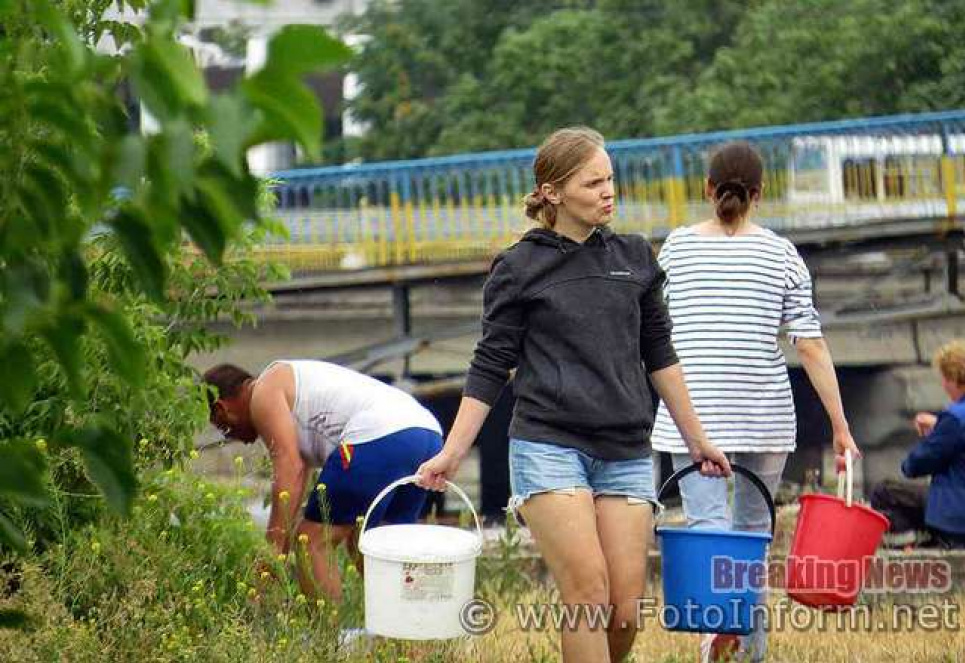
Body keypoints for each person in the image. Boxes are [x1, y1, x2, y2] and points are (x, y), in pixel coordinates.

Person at [415, 127, 731, 663]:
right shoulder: (518, 268)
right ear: (554, 192)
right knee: (587, 593)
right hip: (548, 446)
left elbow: (660, 355)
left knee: (624, 610)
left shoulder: (635, 258)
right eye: (593, 182)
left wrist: (697, 439)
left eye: (610, 179)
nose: (609, 191)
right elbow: (491, 364)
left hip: (626, 450)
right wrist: (452, 450)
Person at [651, 141, 862, 663]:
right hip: (762, 414)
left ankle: (715, 634)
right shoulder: (780, 253)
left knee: (707, 528)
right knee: (752, 534)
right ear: (760, 195)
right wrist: (840, 424)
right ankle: (751, 650)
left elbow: (655, 332)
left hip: (693, 414)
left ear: (706, 189)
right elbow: (809, 343)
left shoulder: (677, 248)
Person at [203, 360, 443, 601]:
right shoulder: (289, 388)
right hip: (425, 433)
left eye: (224, 429)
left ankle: (327, 635)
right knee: (375, 546)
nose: (237, 439)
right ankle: (412, 629)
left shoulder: (264, 391)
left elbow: (290, 469)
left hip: (378, 434)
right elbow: (299, 474)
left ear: (222, 409)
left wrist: (273, 553)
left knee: (311, 542)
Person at [871, 339, 965, 549]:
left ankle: (907, 548)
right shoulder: (953, 421)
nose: (943, 385)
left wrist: (938, 432)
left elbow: (916, 465)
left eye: (944, 378)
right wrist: (939, 427)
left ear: (954, 377)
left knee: (885, 492)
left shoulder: (955, 418)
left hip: (956, 514)